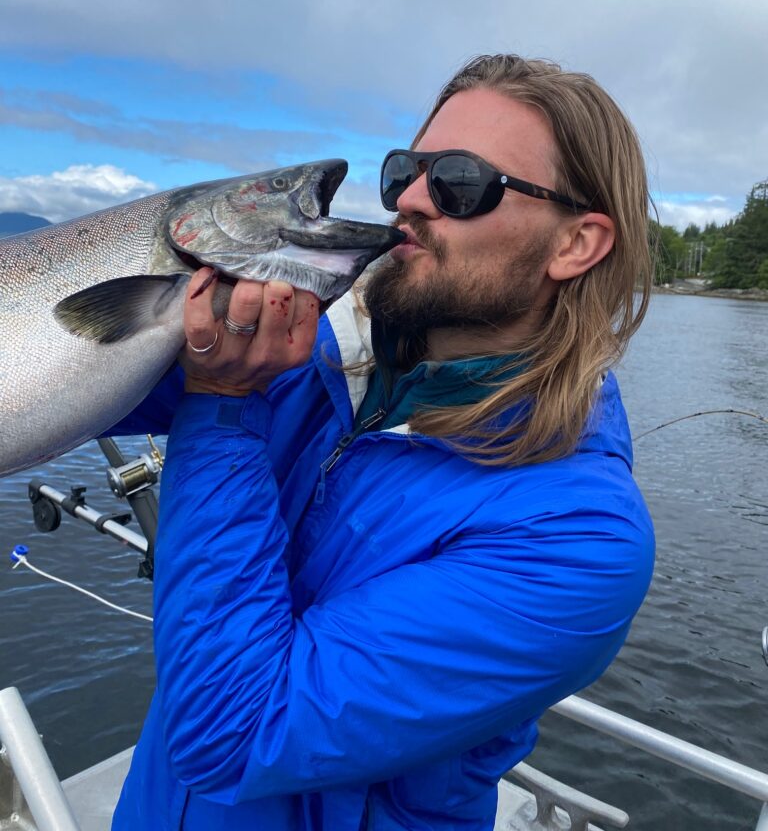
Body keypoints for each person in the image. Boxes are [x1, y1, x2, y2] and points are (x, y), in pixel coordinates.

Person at [111, 54, 655, 831]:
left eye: (460, 181)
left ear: (575, 244)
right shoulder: (302, 356)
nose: (408, 199)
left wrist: (223, 406)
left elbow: (238, 733)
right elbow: (64, 381)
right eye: (407, 170)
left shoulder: (578, 539)